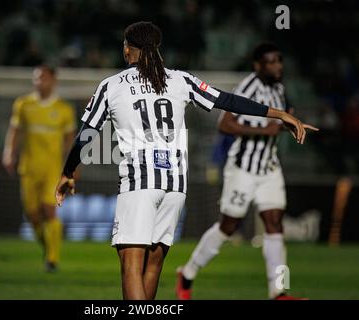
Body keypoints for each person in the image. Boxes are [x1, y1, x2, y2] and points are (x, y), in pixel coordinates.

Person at [55, 23, 317, 300]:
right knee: (152, 266)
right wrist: (279, 114)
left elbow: (87, 134)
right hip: (175, 186)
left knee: (131, 267)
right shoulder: (181, 80)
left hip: (140, 184)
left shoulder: (112, 85)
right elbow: (227, 100)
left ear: (127, 49)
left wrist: (68, 172)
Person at [176, 42, 306, 300]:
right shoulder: (248, 88)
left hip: (269, 167)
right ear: (257, 65)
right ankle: (188, 272)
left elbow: (285, 115)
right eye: (270, 61)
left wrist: (286, 125)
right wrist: (265, 130)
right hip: (243, 168)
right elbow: (225, 125)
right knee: (229, 226)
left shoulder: (280, 88)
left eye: (279, 60)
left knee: (274, 224)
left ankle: (278, 292)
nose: (277, 66)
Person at [2, 65, 76, 272]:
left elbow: (69, 140)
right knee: (33, 215)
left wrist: (72, 165)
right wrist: (9, 152)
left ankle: (52, 259)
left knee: (49, 210)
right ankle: (48, 246)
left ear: (53, 81)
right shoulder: (23, 104)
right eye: (36, 78)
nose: (38, 82)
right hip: (28, 168)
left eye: (43, 78)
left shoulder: (64, 109)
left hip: (52, 169)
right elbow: (14, 131)